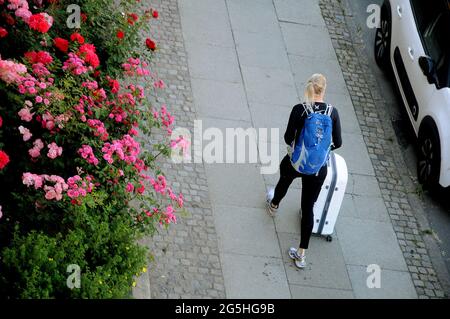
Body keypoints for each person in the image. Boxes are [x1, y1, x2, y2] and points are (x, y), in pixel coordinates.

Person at [266, 73, 342, 269]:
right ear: (324, 90)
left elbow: (287, 137)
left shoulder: (300, 110)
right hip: (318, 169)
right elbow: (338, 143)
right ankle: (301, 254)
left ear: (309, 88)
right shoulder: (333, 113)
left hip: (297, 162)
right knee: (308, 208)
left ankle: (274, 205)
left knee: (284, 180)